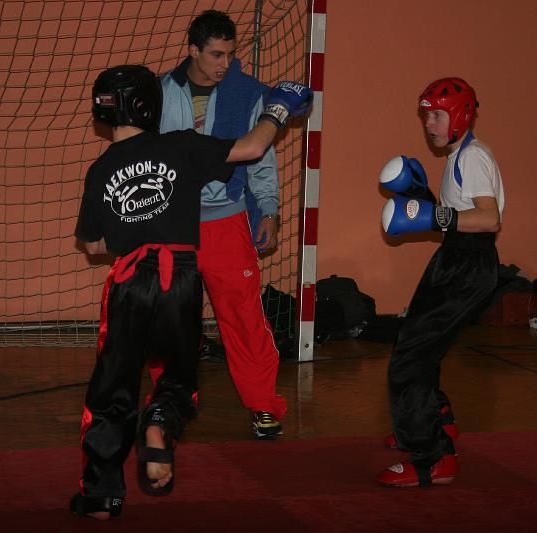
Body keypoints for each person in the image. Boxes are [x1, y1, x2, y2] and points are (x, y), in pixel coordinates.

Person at [70, 64, 311, 519]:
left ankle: (101, 496)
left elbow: (94, 246)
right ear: (149, 106)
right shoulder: (180, 145)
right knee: (178, 377)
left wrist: (132, 227)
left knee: (112, 387)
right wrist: (278, 108)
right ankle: (161, 420)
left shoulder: (100, 169)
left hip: (129, 281)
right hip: (180, 278)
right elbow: (253, 147)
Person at [155, 9, 288, 439]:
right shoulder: (159, 92)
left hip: (227, 221)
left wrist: (269, 209)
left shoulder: (249, 93)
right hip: (172, 225)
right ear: (193, 50)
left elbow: (262, 157)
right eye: (216, 54)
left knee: (244, 318)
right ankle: (169, 403)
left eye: (230, 54)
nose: (225, 63)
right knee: (168, 319)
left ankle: (263, 404)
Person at [377, 77, 504, 487]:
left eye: (437, 115)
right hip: (455, 261)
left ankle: (433, 457)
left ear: (460, 115)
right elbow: (454, 215)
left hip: (468, 266)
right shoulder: (459, 155)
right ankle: (436, 423)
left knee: (410, 357)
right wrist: (424, 198)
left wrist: (436, 216)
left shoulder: (473, 158)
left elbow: (488, 218)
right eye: (426, 115)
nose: (429, 124)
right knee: (417, 345)